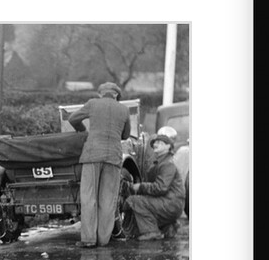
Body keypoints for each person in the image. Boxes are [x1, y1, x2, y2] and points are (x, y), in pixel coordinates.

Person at [68, 81, 132, 248]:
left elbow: (72, 118)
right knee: (108, 200)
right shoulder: (124, 110)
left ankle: (89, 239)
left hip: (92, 154)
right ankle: (103, 240)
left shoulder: (93, 103)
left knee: (89, 197)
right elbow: (125, 135)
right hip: (113, 157)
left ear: (100, 93)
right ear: (116, 95)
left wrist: (82, 130)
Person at [122, 134, 186, 240]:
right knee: (143, 201)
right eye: (155, 143)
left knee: (135, 201)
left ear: (169, 147)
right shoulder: (161, 162)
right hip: (172, 203)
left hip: (171, 204)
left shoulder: (167, 164)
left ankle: (151, 231)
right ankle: (168, 227)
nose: (156, 144)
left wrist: (140, 187)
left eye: (161, 143)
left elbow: (161, 188)